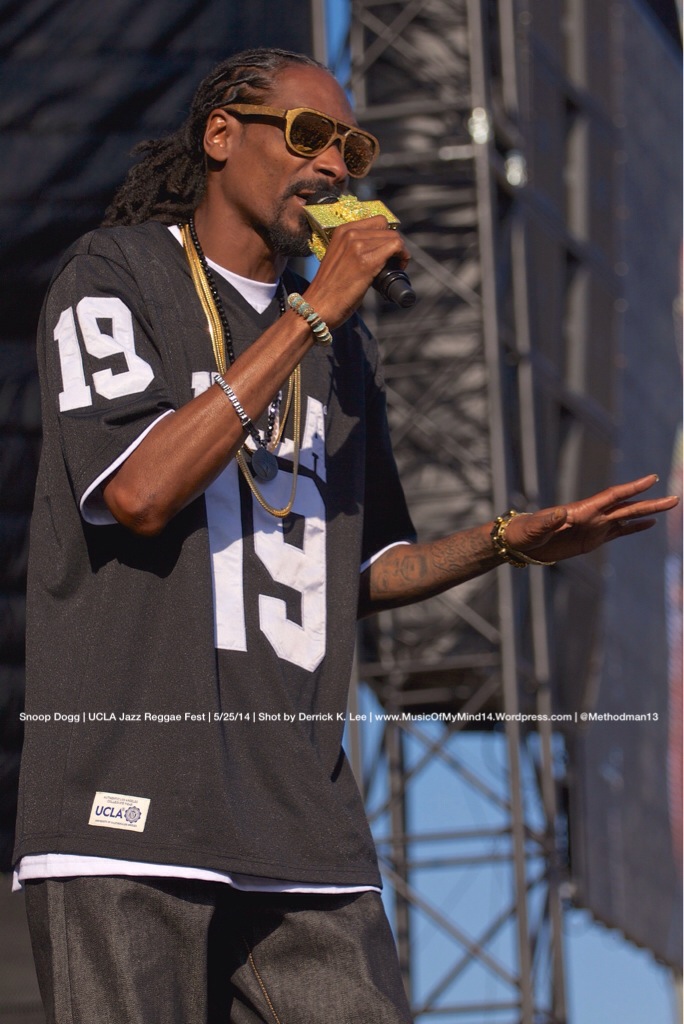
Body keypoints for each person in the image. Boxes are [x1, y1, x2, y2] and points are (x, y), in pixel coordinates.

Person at [13, 46, 677, 1024]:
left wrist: (506, 540)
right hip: (132, 803)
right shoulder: (115, 275)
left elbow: (362, 569)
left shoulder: (339, 349)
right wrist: (319, 309)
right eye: (309, 135)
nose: (333, 165)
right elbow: (142, 491)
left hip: (301, 817)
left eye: (352, 149)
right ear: (221, 135)